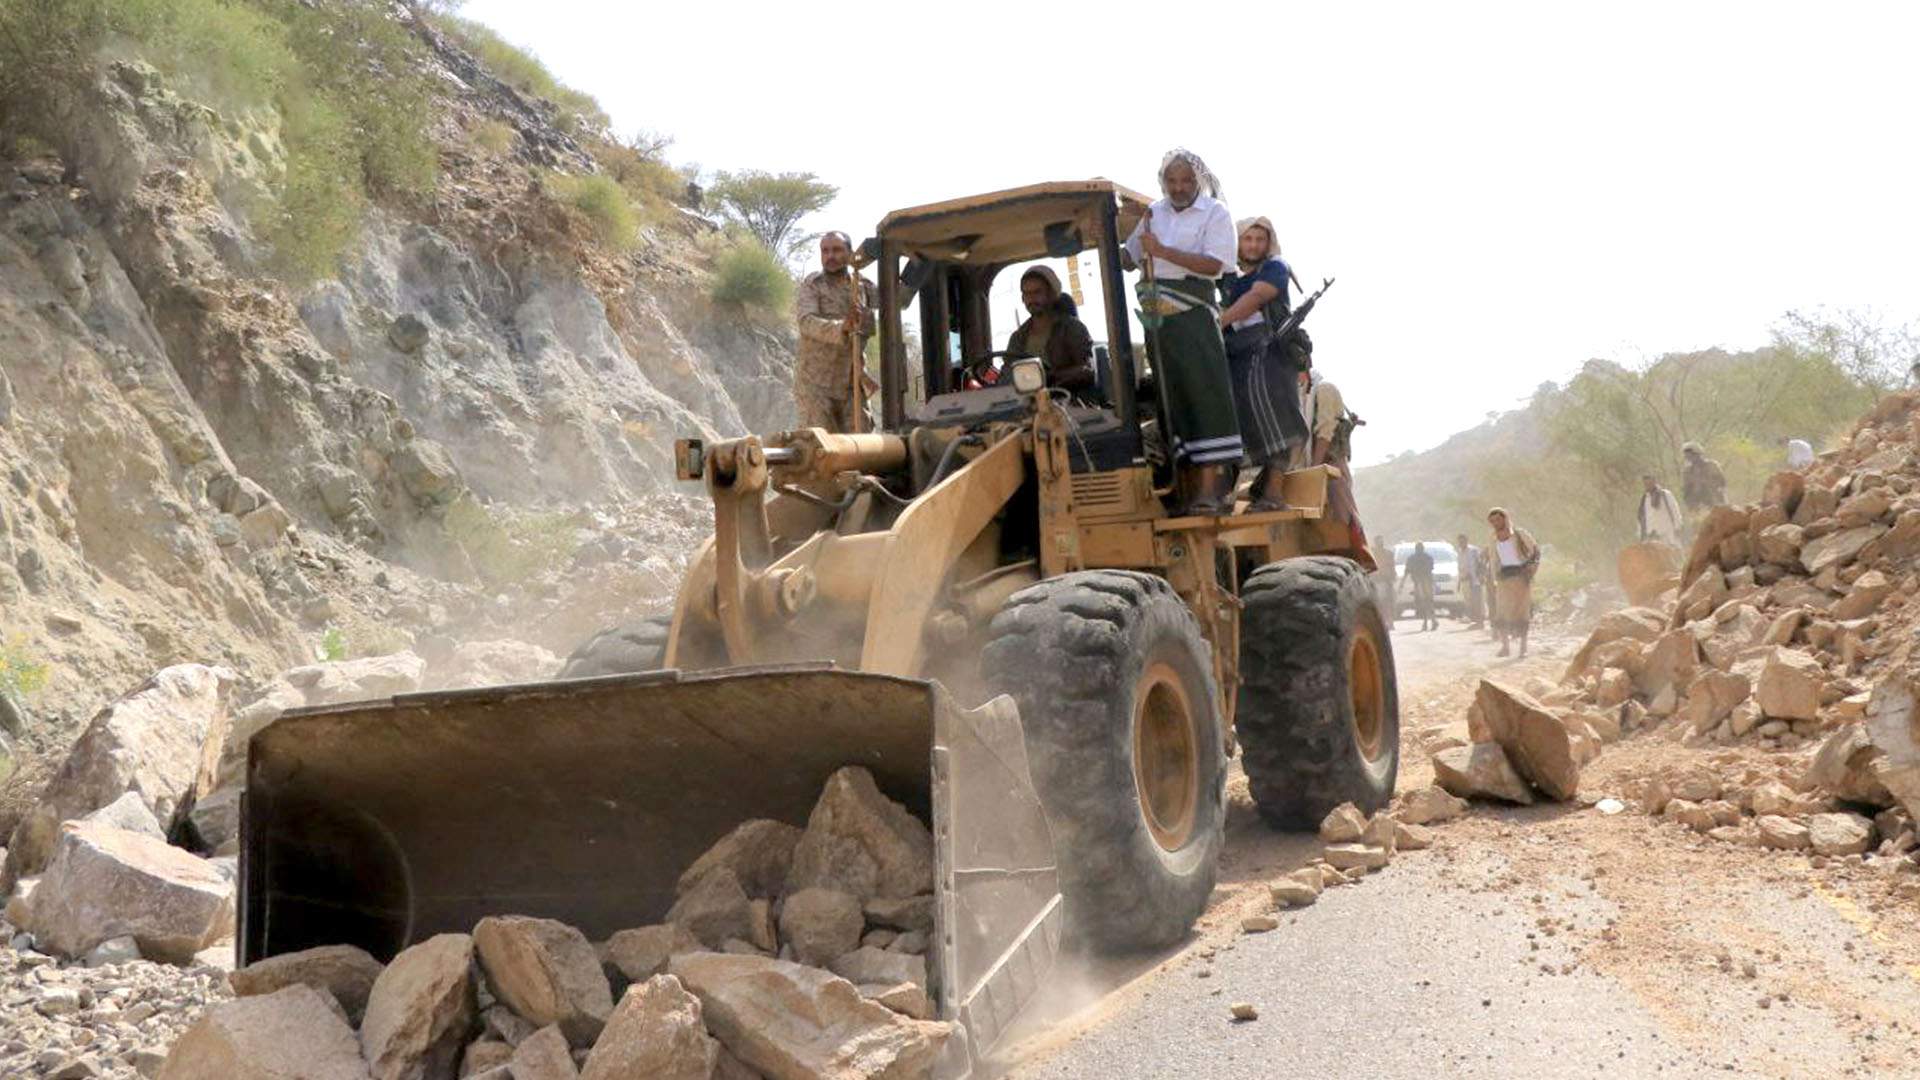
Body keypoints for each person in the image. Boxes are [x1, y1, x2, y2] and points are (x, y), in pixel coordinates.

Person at [1123, 149, 1242, 514]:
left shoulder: (1215, 214)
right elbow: (1129, 259)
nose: (1179, 188)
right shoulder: (1152, 213)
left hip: (1194, 315)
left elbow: (1215, 264)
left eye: (1186, 180)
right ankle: (1184, 489)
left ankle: (1212, 489)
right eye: (1171, 181)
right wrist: (1114, 227)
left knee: (1205, 398)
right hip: (1159, 320)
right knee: (1171, 403)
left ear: (1199, 180)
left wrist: (1164, 251)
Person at [1216, 217, 1309, 510]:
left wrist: (1221, 321)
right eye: (1247, 239)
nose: (1254, 245)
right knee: (1250, 424)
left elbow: (1258, 297)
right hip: (1240, 354)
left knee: (1279, 426)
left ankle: (1273, 495)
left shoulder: (1275, 268)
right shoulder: (1230, 276)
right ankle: (1258, 492)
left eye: (1260, 239)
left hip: (1269, 353)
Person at [792, 232, 876, 432]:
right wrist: (842, 327)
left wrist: (919, 263)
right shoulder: (813, 285)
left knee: (863, 445)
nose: (830, 256)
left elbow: (896, 299)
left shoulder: (862, 285)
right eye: (825, 251)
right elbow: (806, 322)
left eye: (837, 250)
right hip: (817, 385)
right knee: (822, 446)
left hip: (851, 383)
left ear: (849, 253)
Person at [1005, 266, 1097, 396]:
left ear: (1052, 294)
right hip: (1026, 404)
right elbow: (1007, 373)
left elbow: (1087, 370)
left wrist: (1050, 377)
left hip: (1068, 400)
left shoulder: (1072, 328)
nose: (1031, 299)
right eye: (1026, 293)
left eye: (1037, 292)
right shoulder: (1017, 337)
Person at [1486, 507, 1541, 658]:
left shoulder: (1519, 534)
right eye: (1493, 521)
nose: (1496, 523)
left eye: (1498, 519)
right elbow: (1493, 560)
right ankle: (1505, 647)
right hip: (1503, 578)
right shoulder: (1493, 538)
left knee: (1522, 613)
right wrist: (1493, 578)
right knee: (1502, 613)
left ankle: (1523, 648)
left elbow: (1535, 551)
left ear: (1505, 518)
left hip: (1521, 577)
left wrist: (1532, 568)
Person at [1637, 474, 1685, 545]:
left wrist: (1678, 527)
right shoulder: (1645, 498)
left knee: (1675, 553)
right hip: (1652, 535)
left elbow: (1675, 510)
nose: (1648, 485)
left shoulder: (1665, 495)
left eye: (1650, 483)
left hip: (1668, 533)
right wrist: (1640, 532)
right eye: (1646, 484)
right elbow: (1641, 517)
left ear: (1654, 481)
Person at [1680, 442, 1727, 514]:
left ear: (1698, 454)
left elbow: (1722, 482)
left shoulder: (1712, 465)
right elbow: (1686, 490)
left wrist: (1707, 482)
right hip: (1696, 505)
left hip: (1714, 502)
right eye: (1687, 456)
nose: (1690, 458)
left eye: (1691, 455)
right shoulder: (1687, 471)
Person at [1455, 531, 1485, 630]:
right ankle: (1476, 622)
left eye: (1463, 541)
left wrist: (1481, 576)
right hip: (1465, 581)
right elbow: (1460, 568)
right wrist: (1459, 582)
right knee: (1470, 603)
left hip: (1475, 580)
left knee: (1477, 602)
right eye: (1459, 542)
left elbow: (1481, 563)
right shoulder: (1459, 552)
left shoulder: (1473, 550)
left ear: (1467, 541)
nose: (1461, 543)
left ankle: (1480, 622)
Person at [1406, 541, 1438, 631]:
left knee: (1425, 602)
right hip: (1424, 581)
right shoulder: (1427, 557)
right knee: (1427, 602)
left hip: (1422, 581)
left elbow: (1407, 571)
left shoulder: (1412, 558)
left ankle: (1428, 622)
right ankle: (1431, 621)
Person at [1372, 533, 1397, 629]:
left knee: (1389, 602)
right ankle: (1382, 623)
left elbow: (1392, 567)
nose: (1380, 543)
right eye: (1378, 541)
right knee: (1379, 603)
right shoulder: (1372, 554)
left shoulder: (1388, 554)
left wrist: (1392, 576)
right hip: (1376, 581)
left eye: (1381, 541)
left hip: (1387, 581)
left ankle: (1390, 622)